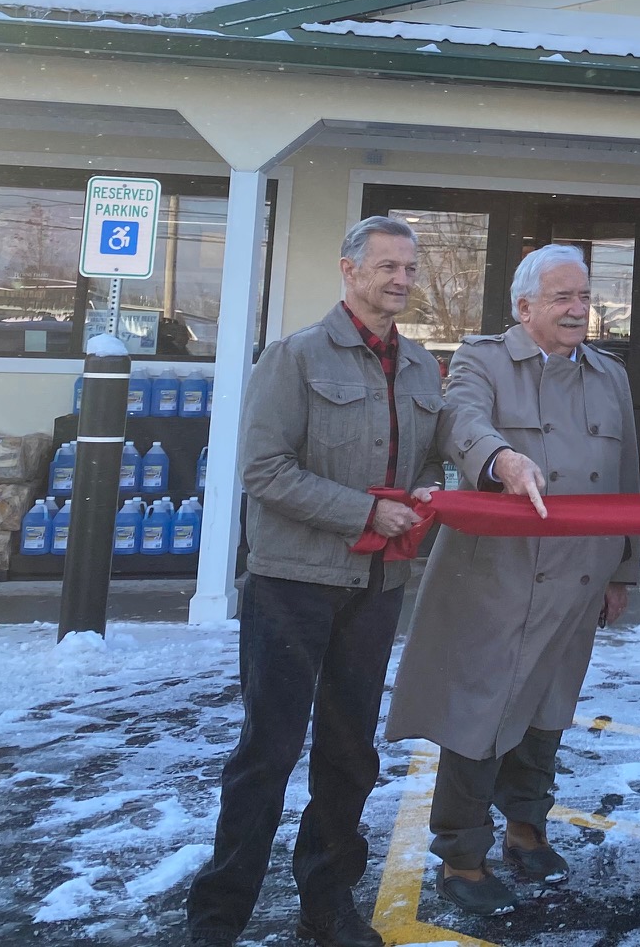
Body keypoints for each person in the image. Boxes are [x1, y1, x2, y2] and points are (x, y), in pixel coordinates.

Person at [186, 217, 445, 947]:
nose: (401, 279)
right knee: (266, 754)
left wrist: (426, 494)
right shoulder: (294, 357)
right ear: (349, 269)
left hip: (376, 586)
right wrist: (366, 511)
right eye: (387, 266)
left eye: (410, 268)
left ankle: (326, 908)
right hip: (291, 585)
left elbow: (427, 462)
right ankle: (217, 920)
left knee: (349, 755)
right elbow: (264, 471)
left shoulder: (422, 367)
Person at [384, 245, 640, 915]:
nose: (579, 309)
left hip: (579, 577)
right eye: (563, 297)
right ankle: (461, 858)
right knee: (480, 717)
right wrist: (501, 459)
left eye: (584, 296)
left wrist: (622, 570)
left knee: (548, 713)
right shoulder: (483, 359)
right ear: (524, 307)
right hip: (500, 578)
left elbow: (627, 479)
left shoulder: (610, 375)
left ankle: (527, 832)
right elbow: (460, 421)